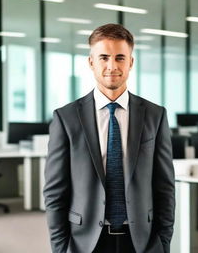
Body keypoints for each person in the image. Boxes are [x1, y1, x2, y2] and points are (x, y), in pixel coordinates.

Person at [43, 23, 175, 253]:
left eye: (120, 57)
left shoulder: (155, 115)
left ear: (131, 62)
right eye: (104, 57)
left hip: (142, 241)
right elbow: (55, 193)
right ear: (91, 62)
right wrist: (60, 248)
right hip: (85, 242)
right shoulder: (65, 118)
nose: (112, 66)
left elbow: (164, 187)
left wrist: (163, 243)